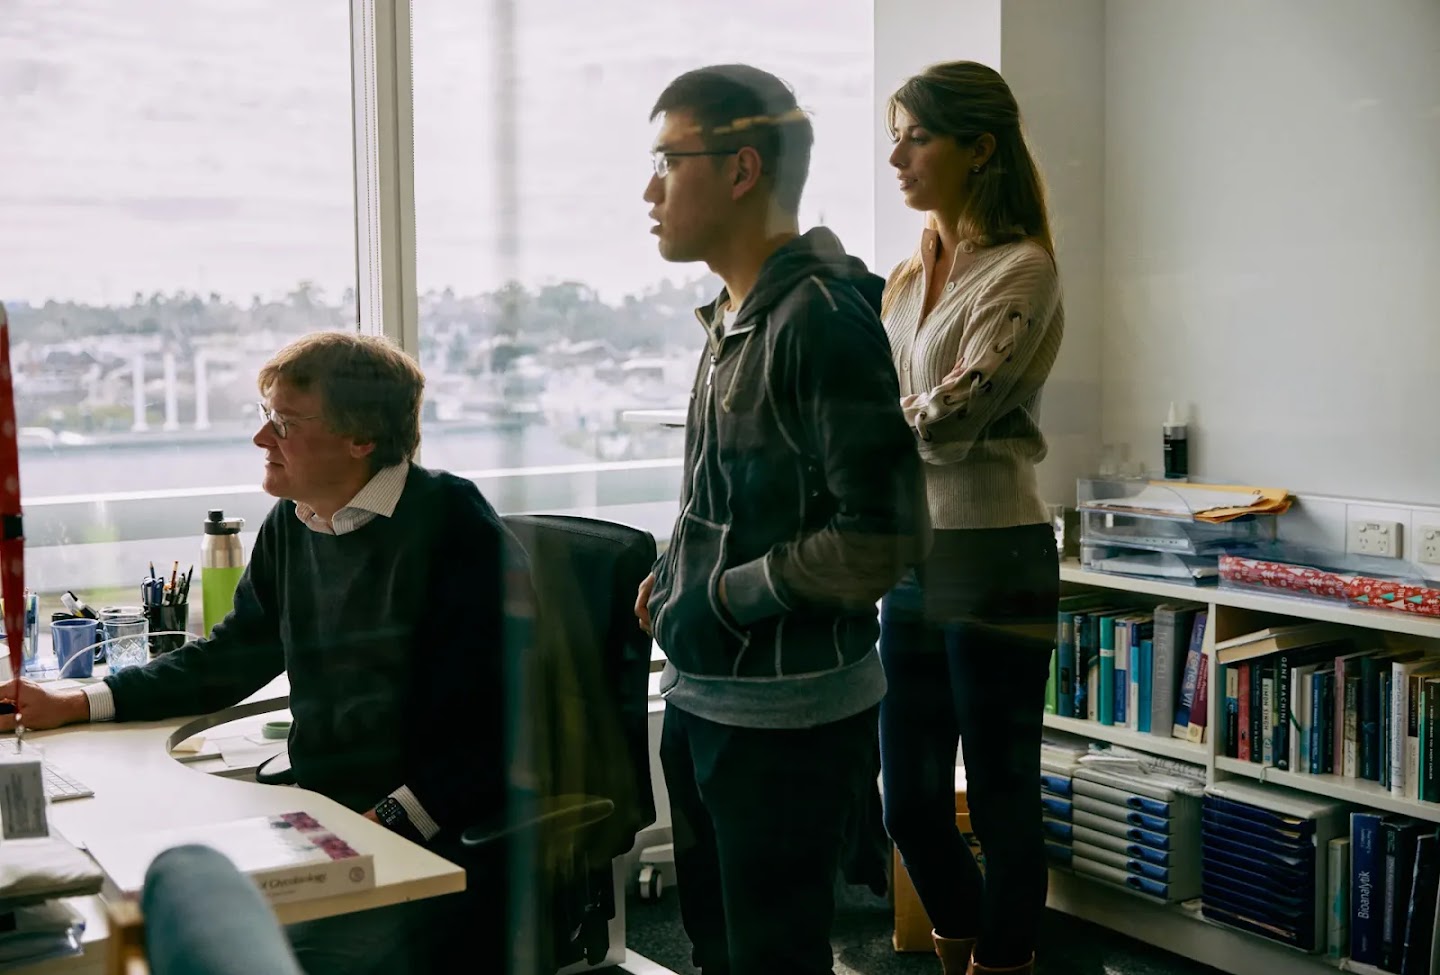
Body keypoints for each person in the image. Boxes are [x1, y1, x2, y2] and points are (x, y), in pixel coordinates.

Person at [0, 331, 529, 975]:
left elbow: (502, 726)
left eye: (284, 423)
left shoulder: (453, 527)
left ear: (360, 439)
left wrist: (388, 820)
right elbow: (231, 656)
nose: (261, 440)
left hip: (428, 839)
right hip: (321, 818)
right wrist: (78, 699)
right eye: (265, 417)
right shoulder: (298, 520)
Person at [634, 64, 926, 975]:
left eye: (666, 161)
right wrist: (677, 573)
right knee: (721, 948)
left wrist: (723, 596)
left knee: (772, 956)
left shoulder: (821, 318)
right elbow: (737, 493)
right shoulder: (734, 315)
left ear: (740, 169)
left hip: (786, 722)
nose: (649, 190)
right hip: (710, 698)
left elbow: (883, 534)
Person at [877, 61, 1065, 975]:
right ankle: (969, 955)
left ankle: (1004, 964)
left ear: (978, 148)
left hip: (998, 553)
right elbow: (902, 411)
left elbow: (954, 420)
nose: (896, 155)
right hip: (915, 556)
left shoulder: (1024, 269)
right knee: (906, 801)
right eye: (896, 134)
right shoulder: (907, 277)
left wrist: (866, 432)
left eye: (916, 136)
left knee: (998, 792)